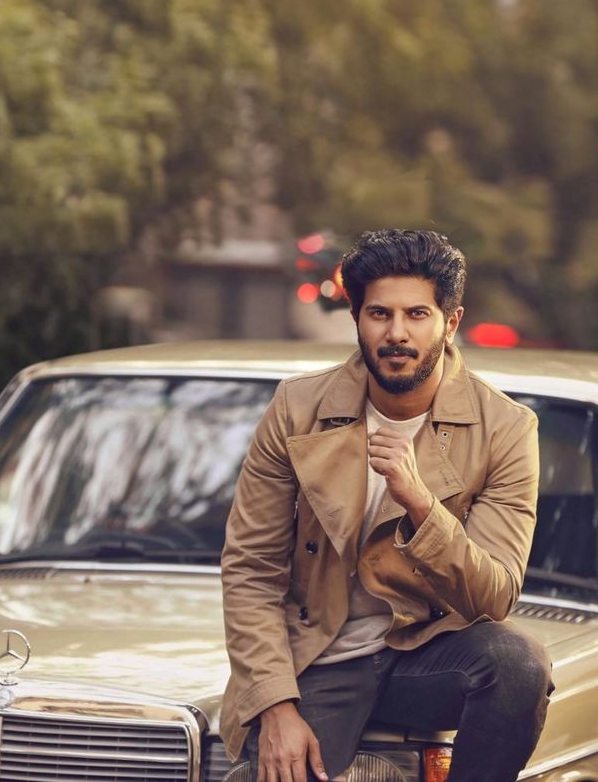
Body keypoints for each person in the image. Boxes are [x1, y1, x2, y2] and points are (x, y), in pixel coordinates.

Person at [220, 228, 552, 782]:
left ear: (450, 322)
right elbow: (251, 570)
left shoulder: (506, 428)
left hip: (423, 652)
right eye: (379, 314)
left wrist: (420, 503)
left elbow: (495, 594)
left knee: (518, 663)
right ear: (356, 317)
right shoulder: (296, 408)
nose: (397, 333)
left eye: (417, 314)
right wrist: (274, 705)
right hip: (321, 657)